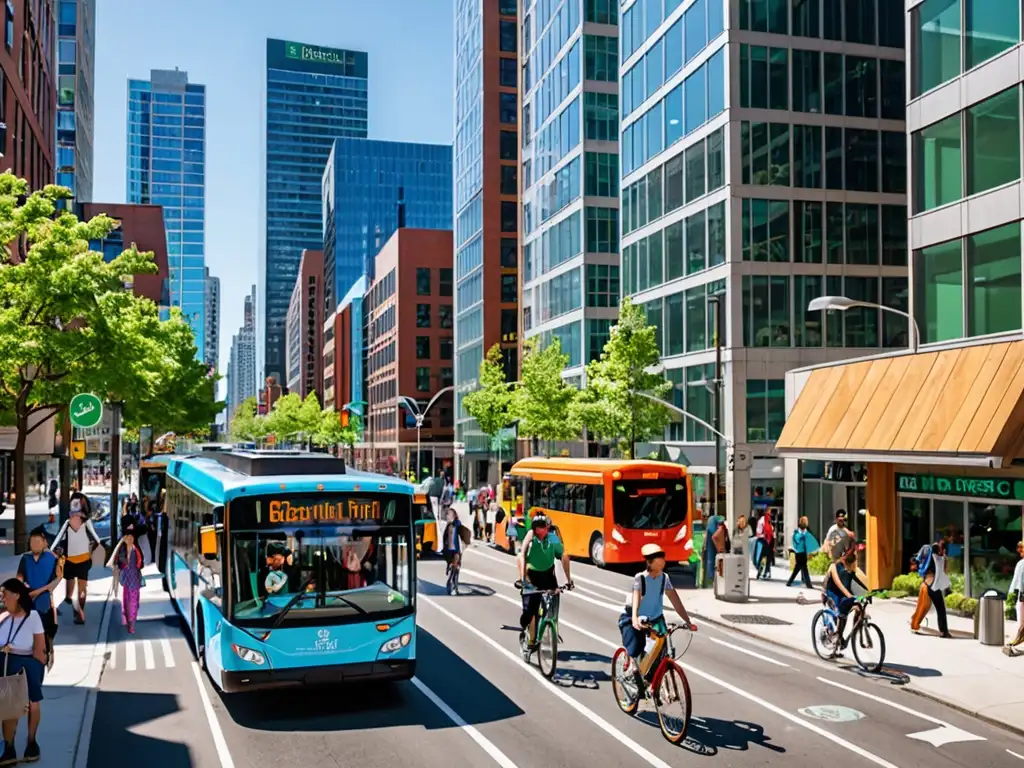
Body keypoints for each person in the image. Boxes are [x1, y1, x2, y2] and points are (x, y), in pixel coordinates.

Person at [618, 544, 697, 678]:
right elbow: (637, 598)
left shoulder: (664, 578)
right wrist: (635, 619)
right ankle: (633, 668)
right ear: (650, 561)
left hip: (657, 618)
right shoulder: (640, 578)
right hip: (641, 617)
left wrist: (687, 621)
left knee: (661, 652)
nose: (663, 561)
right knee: (638, 648)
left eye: (663, 557)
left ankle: (653, 680)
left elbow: (675, 599)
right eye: (660, 558)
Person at [0, 578, 47, 764]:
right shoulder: (3, 617)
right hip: (5, 665)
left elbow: (39, 648)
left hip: (27, 666)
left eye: (5, 595)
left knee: (33, 704)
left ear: (17, 595)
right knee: (8, 707)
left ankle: (31, 742)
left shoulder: (32, 617)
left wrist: (36, 672)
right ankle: (9, 747)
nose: (3, 598)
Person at [516, 514, 573, 647]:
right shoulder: (530, 537)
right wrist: (522, 579)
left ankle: (550, 631)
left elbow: (563, 557)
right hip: (531, 575)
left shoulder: (553, 538)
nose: (542, 530)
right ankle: (530, 638)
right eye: (538, 527)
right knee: (530, 611)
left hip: (547, 575)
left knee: (552, 603)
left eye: (544, 527)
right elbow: (522, 556)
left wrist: (568, 580)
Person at [50, 499, 100, 625]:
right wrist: (90, 551)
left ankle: (78, 612)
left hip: (72, 561)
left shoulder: (68, 524)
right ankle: (79, 612)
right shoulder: (84, 523)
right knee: (81, 589)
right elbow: (97, 540)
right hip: (82, 560)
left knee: (74, 589)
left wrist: (56, 552)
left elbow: (56, 543)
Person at [16, 528, 59, 671]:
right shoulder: (25, 559)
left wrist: (40, 591)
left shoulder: (52, 559)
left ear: (44, 543)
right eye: (32, 542)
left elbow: (57, 580)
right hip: (28, 602)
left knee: (46, 632)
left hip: (44, 603)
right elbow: (19, 577)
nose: (34, 544)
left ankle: (46, 657)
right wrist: (22, 587)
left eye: (38, 541)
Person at [108, 522, 146, 634]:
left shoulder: (134, 549)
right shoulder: (123, 549)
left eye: (131, 536)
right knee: (129, 601)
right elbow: (117, 561)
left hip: (133, 578)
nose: (130, 538)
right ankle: (129, 621)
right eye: (127, 536)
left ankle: (130, 622)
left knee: (133, 601)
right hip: (127, 579)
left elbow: (140, 563)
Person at [911, 540, 951, 638]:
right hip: (932, 586)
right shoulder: (938, 558)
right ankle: (943, 632)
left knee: (923, 607)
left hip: (927, 584)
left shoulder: (933, 556)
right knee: (939, 609)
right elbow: (945, 571)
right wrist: (945, 557)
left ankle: (914, 625)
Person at [824, 548, 868, 639]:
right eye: (850, 563)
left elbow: (856, 582)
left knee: (858, 607)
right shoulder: (833, 566)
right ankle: (837, 639)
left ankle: (854, 634)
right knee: (841, 613)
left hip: (844, 595)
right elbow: (839, 584)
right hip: (831, 595)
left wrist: (867, 593)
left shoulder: (851, 568)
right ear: (843, 559)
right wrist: (850, 596)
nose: (852, 566)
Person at [787, 516, 820, 588]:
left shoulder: (800, 532)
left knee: (802, 568)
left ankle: (792, 582)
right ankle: (807, 584)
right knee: (801, 568)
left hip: (800, 552)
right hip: (800, 553)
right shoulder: (800, 532)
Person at [1006, 541, 1024, 655]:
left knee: (1021, 621)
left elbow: (1017, 581)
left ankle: (1015, 642)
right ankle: (1016, 641)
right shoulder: (1021, 563)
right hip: (1022, 595)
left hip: (1022, 595)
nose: (1019, 551)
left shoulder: (1021, 564)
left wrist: (1011, 593)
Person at [442, 508, 464, 595]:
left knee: (457, 567)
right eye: (446, 514)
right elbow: (444, 539)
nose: (447, 516)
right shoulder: (448, 526)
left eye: (449, 514)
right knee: (455, 567)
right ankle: (451, 583)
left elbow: (461, 534)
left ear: (454, 516)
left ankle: (455, 586)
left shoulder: (456, 524)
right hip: (449, 550)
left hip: (456, 550)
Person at [755, 510, 775, 579]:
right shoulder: (764, 522)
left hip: (764, 543)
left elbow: (758, 534)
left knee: (763, 559)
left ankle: (761, 573)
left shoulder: (763, 522)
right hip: (766, 543)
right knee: (767, 559)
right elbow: (772, 535)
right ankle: (765, 573)